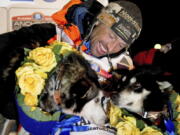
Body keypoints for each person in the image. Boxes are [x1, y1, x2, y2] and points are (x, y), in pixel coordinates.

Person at [0, 0, 143, 134]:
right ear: (100, 21)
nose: (110, 47)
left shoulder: (122, 66)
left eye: (120, 45)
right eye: (111, 36)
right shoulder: (52, 36)